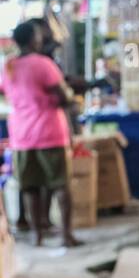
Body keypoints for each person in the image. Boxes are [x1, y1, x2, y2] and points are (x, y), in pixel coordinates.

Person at [0, 19, 80, 247]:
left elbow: (5, 92)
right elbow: (64, 96)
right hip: (49, 131)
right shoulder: (44, 64)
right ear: (34, 38)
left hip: (22, 136)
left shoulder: (9, 65)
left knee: (31, 188)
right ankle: (66, 235)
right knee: (61, 185)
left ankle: (38, 236)